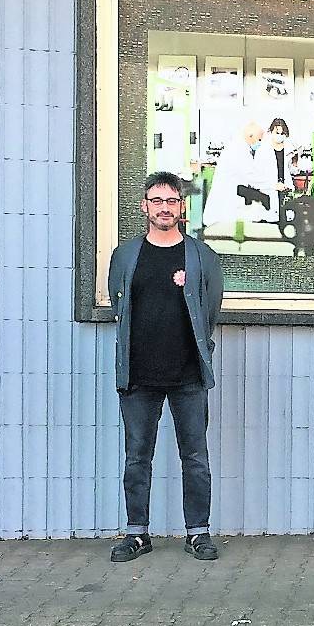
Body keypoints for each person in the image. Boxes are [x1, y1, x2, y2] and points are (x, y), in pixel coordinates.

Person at [105, 171, 226, 562]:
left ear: (181, 207)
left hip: (188, 376)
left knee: (195, 458)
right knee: (137, 457)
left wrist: (200, 348)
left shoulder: (201, 257)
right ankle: (137, 534)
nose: (164, 208)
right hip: (138, 376)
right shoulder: (126, 255)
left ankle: (198, 532)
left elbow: (210, 309)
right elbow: (117, 304)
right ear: (144, 206)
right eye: (156, 201)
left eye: (171, 201)